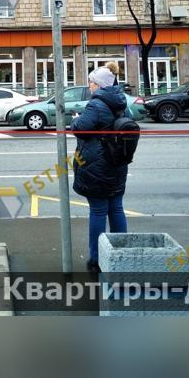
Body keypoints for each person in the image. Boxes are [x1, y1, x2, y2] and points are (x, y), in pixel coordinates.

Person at [71, 66, 130, 272]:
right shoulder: (122, 102)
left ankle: (96, 259)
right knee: (116, 209)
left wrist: (75, 119)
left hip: (97, 167)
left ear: (99, 85)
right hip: (117, 164)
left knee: (98, 211)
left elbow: (81, 130)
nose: (89, 85)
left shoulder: (96, 104)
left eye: (92, 82)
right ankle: (120, 254)